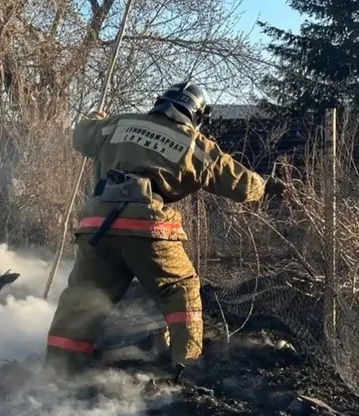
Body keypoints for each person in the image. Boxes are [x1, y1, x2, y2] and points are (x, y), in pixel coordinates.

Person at [44, 81, 287, 377]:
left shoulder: (118, 125)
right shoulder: (195, 146)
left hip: (97, 225)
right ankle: (188, 366)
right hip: (147, 224)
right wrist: (266, 186)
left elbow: (81, 133)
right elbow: (243, 185)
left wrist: (96, 117)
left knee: (83, 296)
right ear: (196, 115)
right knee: (180, 288)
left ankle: (58, 370)